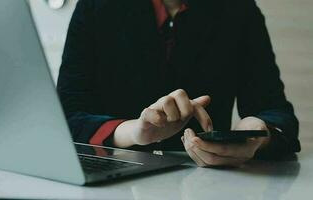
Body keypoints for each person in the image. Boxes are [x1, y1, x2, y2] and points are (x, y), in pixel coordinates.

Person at [57, 0, 301, 167]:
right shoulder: (96, 6)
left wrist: (256, 135)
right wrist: (135, 131)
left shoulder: (239, 9)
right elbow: (66, 115)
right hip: (111, 177)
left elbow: (278, 114)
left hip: (207, 180)